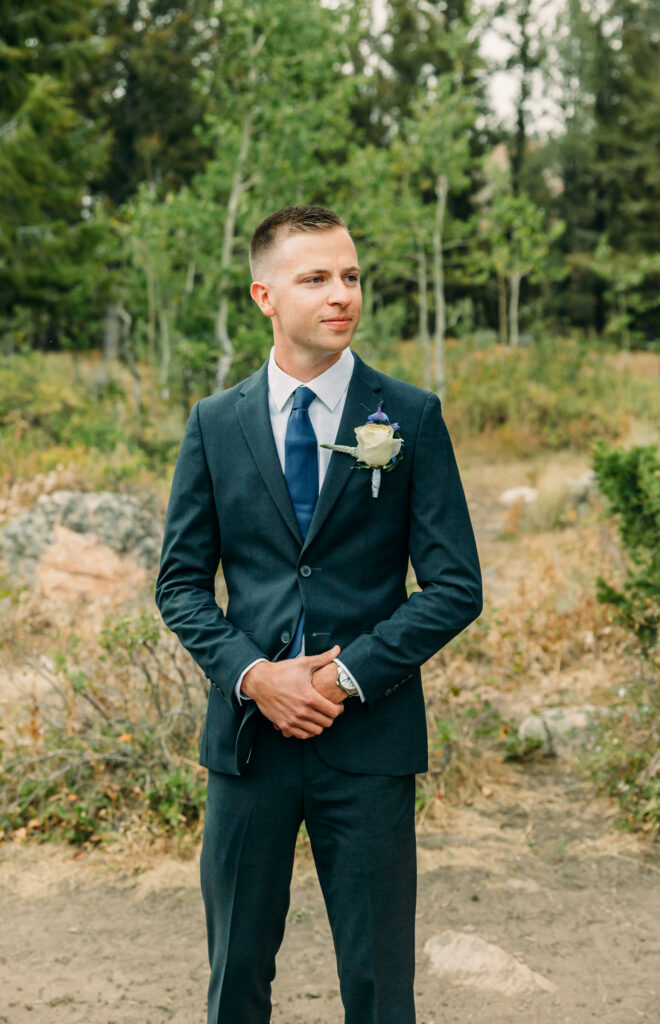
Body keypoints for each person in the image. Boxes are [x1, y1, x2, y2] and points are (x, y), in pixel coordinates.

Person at [155, 204, 482, 1024]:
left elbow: (453, 586)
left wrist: (343, 675)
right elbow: (181, 584)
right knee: (235, 979)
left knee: (378, 989)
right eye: (316, 279)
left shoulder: (408, 416)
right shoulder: (215, 423)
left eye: (351, 277)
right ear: (265, 295)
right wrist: (254, 676)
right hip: (249, 744)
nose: (341, 295)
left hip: (368, 744)